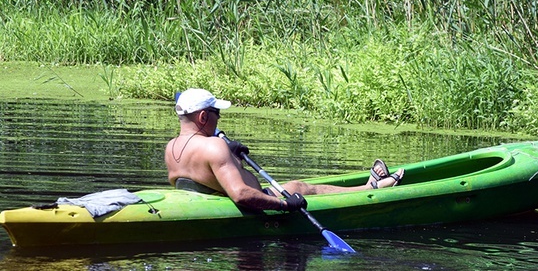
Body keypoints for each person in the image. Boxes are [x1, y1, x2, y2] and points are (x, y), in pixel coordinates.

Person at [165, 88, 404, 212]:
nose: (219, 119)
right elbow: (239, 194)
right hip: (256, 204)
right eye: (217, 113)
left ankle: (368, 186)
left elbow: (205, 176)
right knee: (299, 187)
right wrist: (284, 205)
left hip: (213, 199)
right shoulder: (213, 146)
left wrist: (233, 156)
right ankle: (369, 189)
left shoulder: (171, 148)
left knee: (295, 186)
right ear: (204, 116)